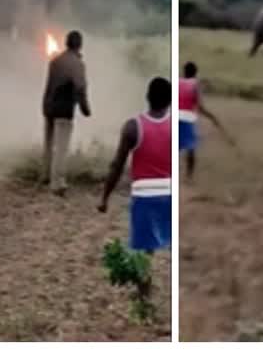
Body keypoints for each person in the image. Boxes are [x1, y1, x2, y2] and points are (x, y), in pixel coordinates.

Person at [98, 78, 171, 285]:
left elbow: (117, 165)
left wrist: (104, 197)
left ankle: (143, 299)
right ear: (170, 102)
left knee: (143, 255)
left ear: (147, 97)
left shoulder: (133, 127)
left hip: (144, 198)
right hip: (169, 195)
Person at [42, 30, 91, 197]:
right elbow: (80, 87)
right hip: (63, 109)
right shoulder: (77, 64)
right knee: (61, 147)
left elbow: (49, 85)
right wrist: (85, 108)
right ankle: (57, 184)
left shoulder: (55, 61)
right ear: (80, 44)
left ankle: (45, 176)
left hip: (49, 107)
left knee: (49, 145)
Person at [179, 62, 226, 183]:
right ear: (195, 73)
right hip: (187, 118)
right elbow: (200, 107)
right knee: (190, 149)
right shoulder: (195, 85)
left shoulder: (177, 82)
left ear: (184, 72)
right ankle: (188, 177)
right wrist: (212, 117)